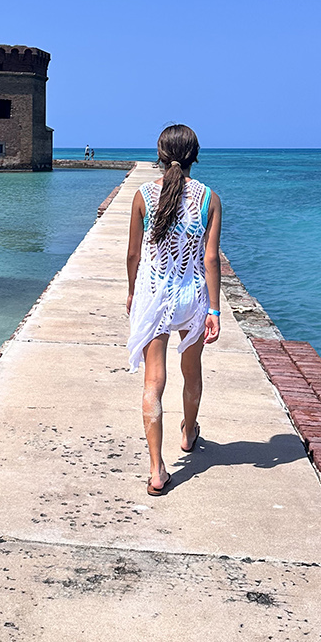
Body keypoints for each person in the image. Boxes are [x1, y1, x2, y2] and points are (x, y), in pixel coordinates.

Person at [125, 124, 222, 495]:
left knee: (154, 381)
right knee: (191, 368)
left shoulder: (143, 196)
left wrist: (133, 292)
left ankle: (156, 470)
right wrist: (214, 310)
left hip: (154, 294)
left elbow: (134, 254)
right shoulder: (208, 198)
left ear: (160, 154)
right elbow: (210, 258)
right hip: (193, 295)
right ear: (195, 154)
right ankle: (189, 431)